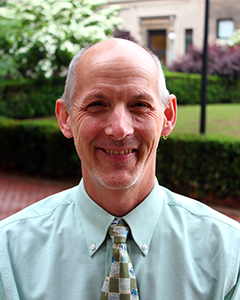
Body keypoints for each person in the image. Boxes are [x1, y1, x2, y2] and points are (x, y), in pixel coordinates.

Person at [0, 38, 240, 300]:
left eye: (140, 105)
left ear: (168, 117)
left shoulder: (228, 253)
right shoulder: (9, 254)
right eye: (97, 104)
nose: (119, 129)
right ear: (65, 118)